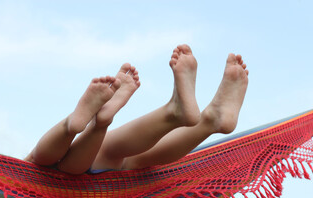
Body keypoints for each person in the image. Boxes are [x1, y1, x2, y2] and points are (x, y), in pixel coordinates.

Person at [24, 44, 249, 175]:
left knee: (39, 164)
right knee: (120, 157)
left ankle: (200, 117)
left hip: (76, 184)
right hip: (86, 177)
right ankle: (85, 124)